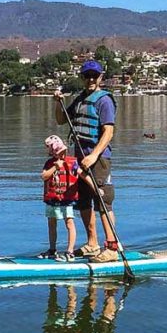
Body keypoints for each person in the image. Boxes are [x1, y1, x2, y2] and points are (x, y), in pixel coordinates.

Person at [54, 60, 119, 264]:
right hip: (80, 158)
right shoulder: (81, 99)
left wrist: (93, 155)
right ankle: (92, 244)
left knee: (102, 200)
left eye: (95, 75)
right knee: (83, 202)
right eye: (87, 75)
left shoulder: (104, 100)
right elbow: (61, 120)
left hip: (97, 159)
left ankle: (111, 247)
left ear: (100, 77)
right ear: (82, 77)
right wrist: (58, 102)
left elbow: (108, 131)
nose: (91, 79)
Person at [39, 135, 79, 262]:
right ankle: (52, 249)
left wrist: (95, 188)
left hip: (67, 199)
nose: (61, 155)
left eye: (62, 152)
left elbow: (81, 173)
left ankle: (70, 251)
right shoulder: (49, 164)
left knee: (69, 222)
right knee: (52, 223)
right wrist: (55, 167)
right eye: (58, 152)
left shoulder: (73, 162)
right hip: (53, 199)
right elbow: (44, 176)